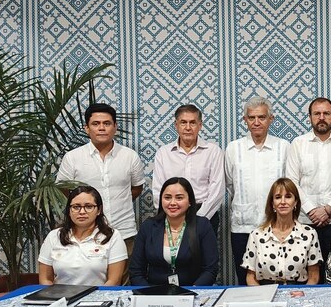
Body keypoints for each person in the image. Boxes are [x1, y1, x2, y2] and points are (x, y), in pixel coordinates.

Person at [57, 103, 144, 254]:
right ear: (87, 128)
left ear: (115, 127)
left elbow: (137, 188)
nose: (102, 128)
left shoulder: (130, 156)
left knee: (123, 277)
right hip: (86, 233)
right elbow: (63, 189)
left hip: (123, 231)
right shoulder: (72, 157)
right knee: (89, 278)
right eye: (96, 124)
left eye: (107, 123)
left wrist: (118, 199)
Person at [286, 97, 331, 278]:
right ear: (309, 117)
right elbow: (292, 182)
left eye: (326, 113)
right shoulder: (298, 144)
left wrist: (328, 208)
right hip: (305, 223)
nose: (321, 117)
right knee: (306, 277)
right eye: (317, 113)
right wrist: (312, 210)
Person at [225, 96, 289, 284]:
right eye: (251, 118)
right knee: (246, 281)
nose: (256, 122)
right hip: (242, 227)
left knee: (275, 278)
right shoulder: (233, 148)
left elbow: (289, 186)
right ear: (245, 120)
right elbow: (230, 184)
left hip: (277, 227)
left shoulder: (283, 147)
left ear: (271, 119)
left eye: (261, 117)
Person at [129, 177, 219, 286]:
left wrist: (193, 292)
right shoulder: (148, 227)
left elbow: (210, 269)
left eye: (179, 198)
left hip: (192, 292)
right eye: (167, 197)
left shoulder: (202, 226)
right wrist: (149, 294)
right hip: (154, 293)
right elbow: (136, 271)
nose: (172, 203)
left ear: (190, 201)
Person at [152, 104, 225, 235]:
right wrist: (170, 216)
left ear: (200, 125)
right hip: (171, 214)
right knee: (172, 255)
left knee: (205, 255)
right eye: (183, 122)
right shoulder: (163, 153)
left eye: (192, 123)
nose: (187, 128)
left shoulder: (213, 151)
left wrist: (199, 219)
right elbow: (158, 190)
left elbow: (217, 189)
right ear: (176, 125)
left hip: (205, 213)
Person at [38, 186, 127, 286]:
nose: (82, 212)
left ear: (99, 210)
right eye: (76, 207)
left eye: (89, 206)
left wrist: (96, 298)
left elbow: (114, 281)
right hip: (61, 298)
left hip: (98, 298)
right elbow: (45, 279)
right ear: (69, 210)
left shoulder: (112, 236)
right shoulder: (54, 236)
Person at [242, 178, 321, 285]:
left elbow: (314, 276)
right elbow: (250, 277)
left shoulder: (309, 234)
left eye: (288, 197)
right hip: (265, 293)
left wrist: (302, 296)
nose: (283, 202)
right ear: (272, 204)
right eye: (278, 197)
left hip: (299, 293)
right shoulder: (256, 235)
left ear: (296, 202)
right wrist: (262, 299)